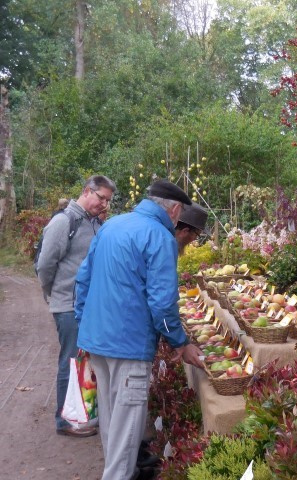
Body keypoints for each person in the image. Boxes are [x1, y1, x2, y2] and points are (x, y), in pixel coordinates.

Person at [75, 179, 204, 480]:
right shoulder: (159, 236)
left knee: (111, 424)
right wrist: (181, 343)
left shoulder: (112, 225)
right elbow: (162, 303)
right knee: (126, 433)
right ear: (174, 210)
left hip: (98, 342)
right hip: (129, 347)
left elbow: (83, 280)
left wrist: (85, 327)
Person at [37, 175, 116, 437]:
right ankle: (64, 421)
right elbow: (45, 266)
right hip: (68, 306)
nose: (104, 204)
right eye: (101, 197)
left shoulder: (94, 223)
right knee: (70, 361)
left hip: (87, 306)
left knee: (84, 362)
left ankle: (83, 413)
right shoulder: (64, 222)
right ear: (86, 191)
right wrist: (54, 295)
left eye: (108, 200)